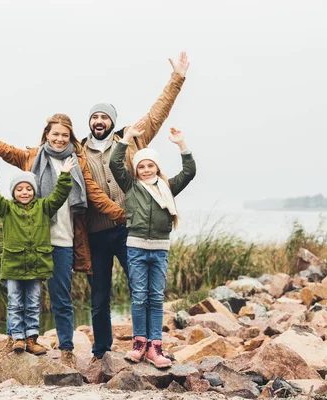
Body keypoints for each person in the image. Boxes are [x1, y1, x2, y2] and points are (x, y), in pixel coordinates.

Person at [0, 112, 125, 368]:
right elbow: (0, 148)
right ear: (46, 134)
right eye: (55, 134)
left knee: (61, 299)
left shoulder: (78, 162)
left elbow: (95, 195)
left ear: (70, 138)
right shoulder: (31, 157)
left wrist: (123, 215)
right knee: (19, 297)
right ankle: (15, 338)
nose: (59, 139)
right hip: (31, 243)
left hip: (64, 241)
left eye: (65, 135)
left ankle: (66, 349)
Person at [84, 52, 190, 361]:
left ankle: (146, 345)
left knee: (142, 291)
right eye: (95, 117)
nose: (99, 121)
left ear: (112, 122)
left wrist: (177, 78)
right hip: (96, 231)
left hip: (130, 231)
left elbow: (157, 114)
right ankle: (101, 350)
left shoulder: (131, 141)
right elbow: (46, 148)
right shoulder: (79, 149)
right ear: (90, 122)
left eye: (104, 117)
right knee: (99, 296)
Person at [109, 122, 196, 368]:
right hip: (135, 248)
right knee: (139, 297)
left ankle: (155, 347)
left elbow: (189, 171)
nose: (146, 170)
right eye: (142, 167)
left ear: (157, 167)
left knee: (156, 298)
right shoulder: (131, 186)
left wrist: (181, 145)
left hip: (159, 249)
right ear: (136, 171)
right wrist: (126, 138)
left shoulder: (168, 188)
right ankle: (139, 344)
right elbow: (115, 164)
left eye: (150, 165)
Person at [0, 154, 75, 357]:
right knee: (15, 303)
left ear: (34, 191)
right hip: (13, 266)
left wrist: (65, 175)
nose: (25, 192)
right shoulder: (6, 209)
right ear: (14, 192)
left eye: (29, 188)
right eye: (20, 189)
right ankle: (18, 338)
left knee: (32, 304)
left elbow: (59, 195)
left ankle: (32, 339)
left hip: (36, 266)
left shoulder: (43, 207)